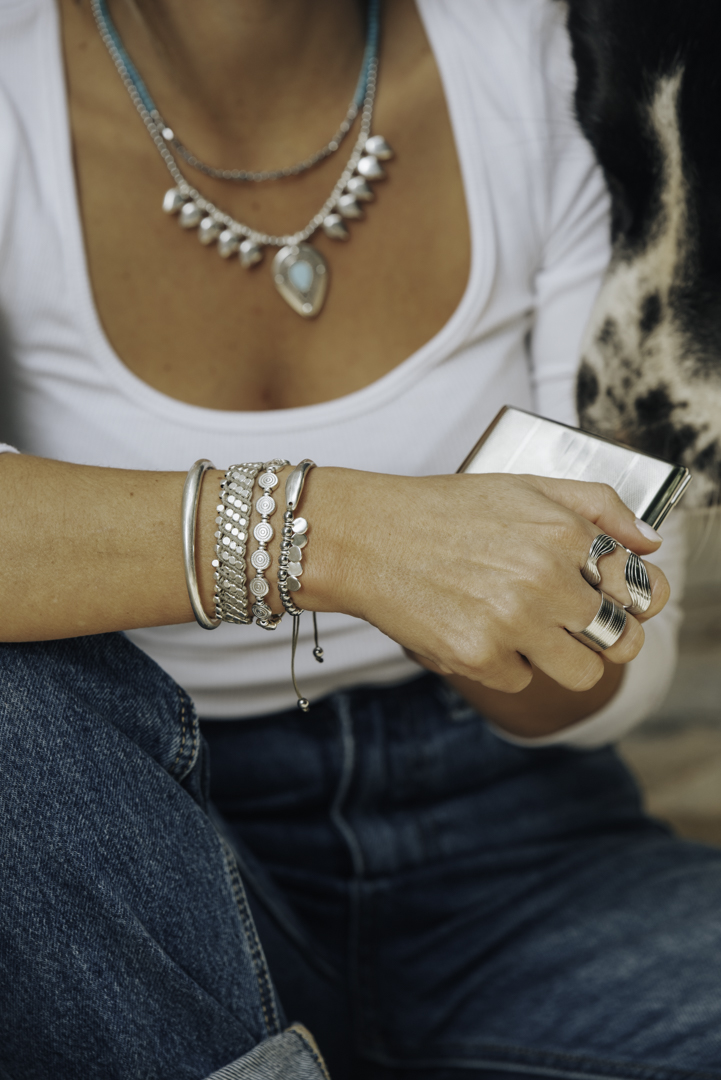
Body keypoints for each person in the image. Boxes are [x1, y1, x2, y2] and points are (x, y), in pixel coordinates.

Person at [0, 0, 719, 1077]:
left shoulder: (553, 54)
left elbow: (615, 655)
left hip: (514, 848)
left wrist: (517, 606)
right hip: (127, 847)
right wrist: (338, 534)